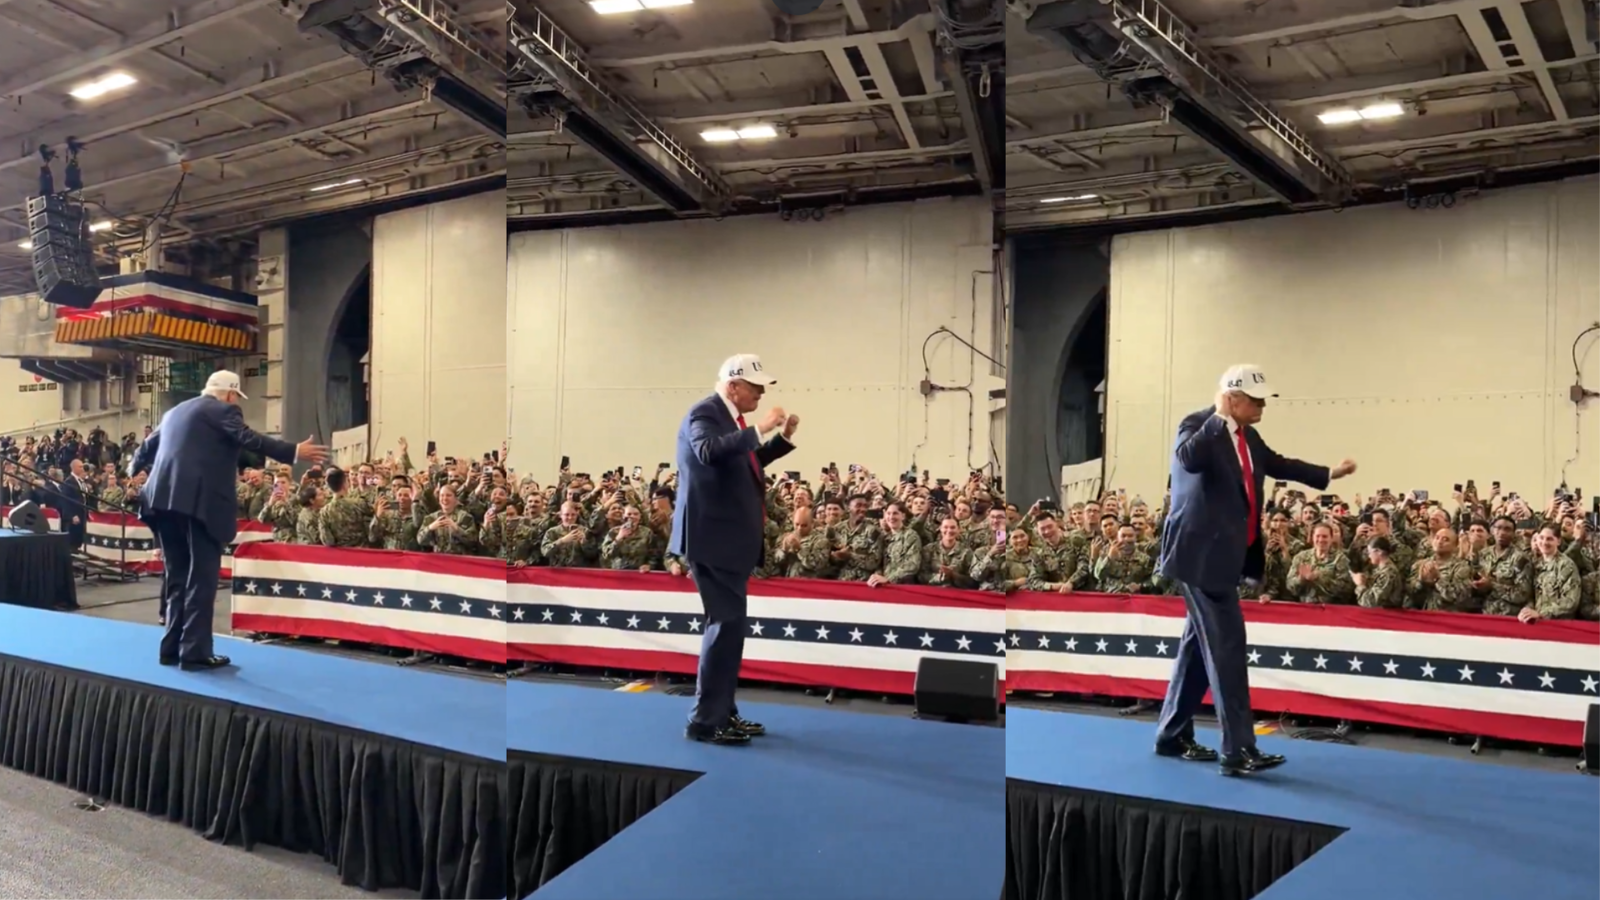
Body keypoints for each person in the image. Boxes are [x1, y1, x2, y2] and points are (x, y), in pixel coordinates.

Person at [1154, 364, 1356, 775]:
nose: (1263, 404)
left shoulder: (1249, 437)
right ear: (1231, 398)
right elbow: (1186, 460)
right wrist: (1217, 417)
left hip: (1222, 558)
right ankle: (1238, 750)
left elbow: (1276, 464)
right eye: (1255, 398)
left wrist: (1327, 474)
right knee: (1227, 650)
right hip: (1199, 559)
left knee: (1198, 649)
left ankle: (1172, 735)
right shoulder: (1199, 425)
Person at [129, 371, 327, 670]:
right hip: (199, 503)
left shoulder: (175, 411)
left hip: (161, 501)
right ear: (231, 395)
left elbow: (146, 447)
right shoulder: (223, 409)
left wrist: (134, 470)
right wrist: (293, 451)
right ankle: (195, 652)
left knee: (176, 576)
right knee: (202, 577)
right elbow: (247, 437)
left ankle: (170, 648)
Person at [668, 354, 797, 745]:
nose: (761, 393)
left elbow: (745, 463)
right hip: (713, 539)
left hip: (724, 541)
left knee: (729, 630)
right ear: (733, 385)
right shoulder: (704, 413)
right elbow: (709, 451)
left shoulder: (729, 422)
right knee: (724, 629)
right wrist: (759, 430)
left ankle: (723, 711)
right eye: (756, 386)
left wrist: (780, 441)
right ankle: (706, 720)